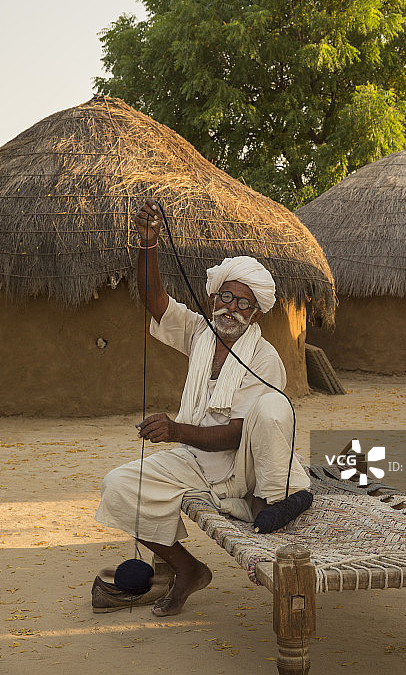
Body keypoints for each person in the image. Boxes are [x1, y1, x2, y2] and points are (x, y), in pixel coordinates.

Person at [93, 200, 311, 616]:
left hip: (244, 465)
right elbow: (155, 301)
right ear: (213, 297)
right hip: (194, 457)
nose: (230, 308)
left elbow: (234, 434)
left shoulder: (263, 358)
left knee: (271, 406)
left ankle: (271, 499)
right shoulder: (199, 333)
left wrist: (176, 430)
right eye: (225, 297)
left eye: (242, 303)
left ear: (257, 311)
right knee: (118, 486)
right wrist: (148, 244)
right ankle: (189, 569)